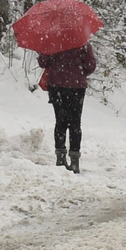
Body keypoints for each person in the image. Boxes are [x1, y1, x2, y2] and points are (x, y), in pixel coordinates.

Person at [38, 43, 96, 174]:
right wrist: (77, 70)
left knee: (60, 122)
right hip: (76, 86)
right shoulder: (82, 43)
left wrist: (46, 52)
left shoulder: (53, 41)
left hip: (56, 85)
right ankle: (74, 161)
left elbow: (43, 62)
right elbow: (90, 66)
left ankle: (60, 159)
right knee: (75, 123)